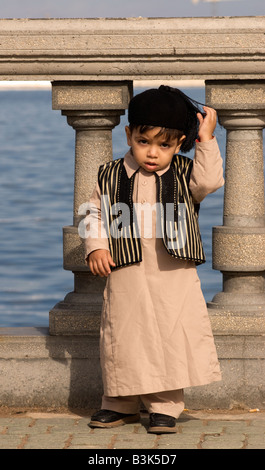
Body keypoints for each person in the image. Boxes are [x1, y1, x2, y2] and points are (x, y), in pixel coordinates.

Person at [84, 85, 224, 434]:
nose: (153, 153)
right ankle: (119, 403)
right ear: (129, 134)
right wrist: (96, 246)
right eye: (144, 141)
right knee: (123, 333)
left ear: (179, 145)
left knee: (169, 332)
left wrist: (206, 138)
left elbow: (211, 180)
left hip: (173, 269)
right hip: (125, 268)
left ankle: (165, 406)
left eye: (165, 145)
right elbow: (92, 213)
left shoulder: (185, 172)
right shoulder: (109, 173)